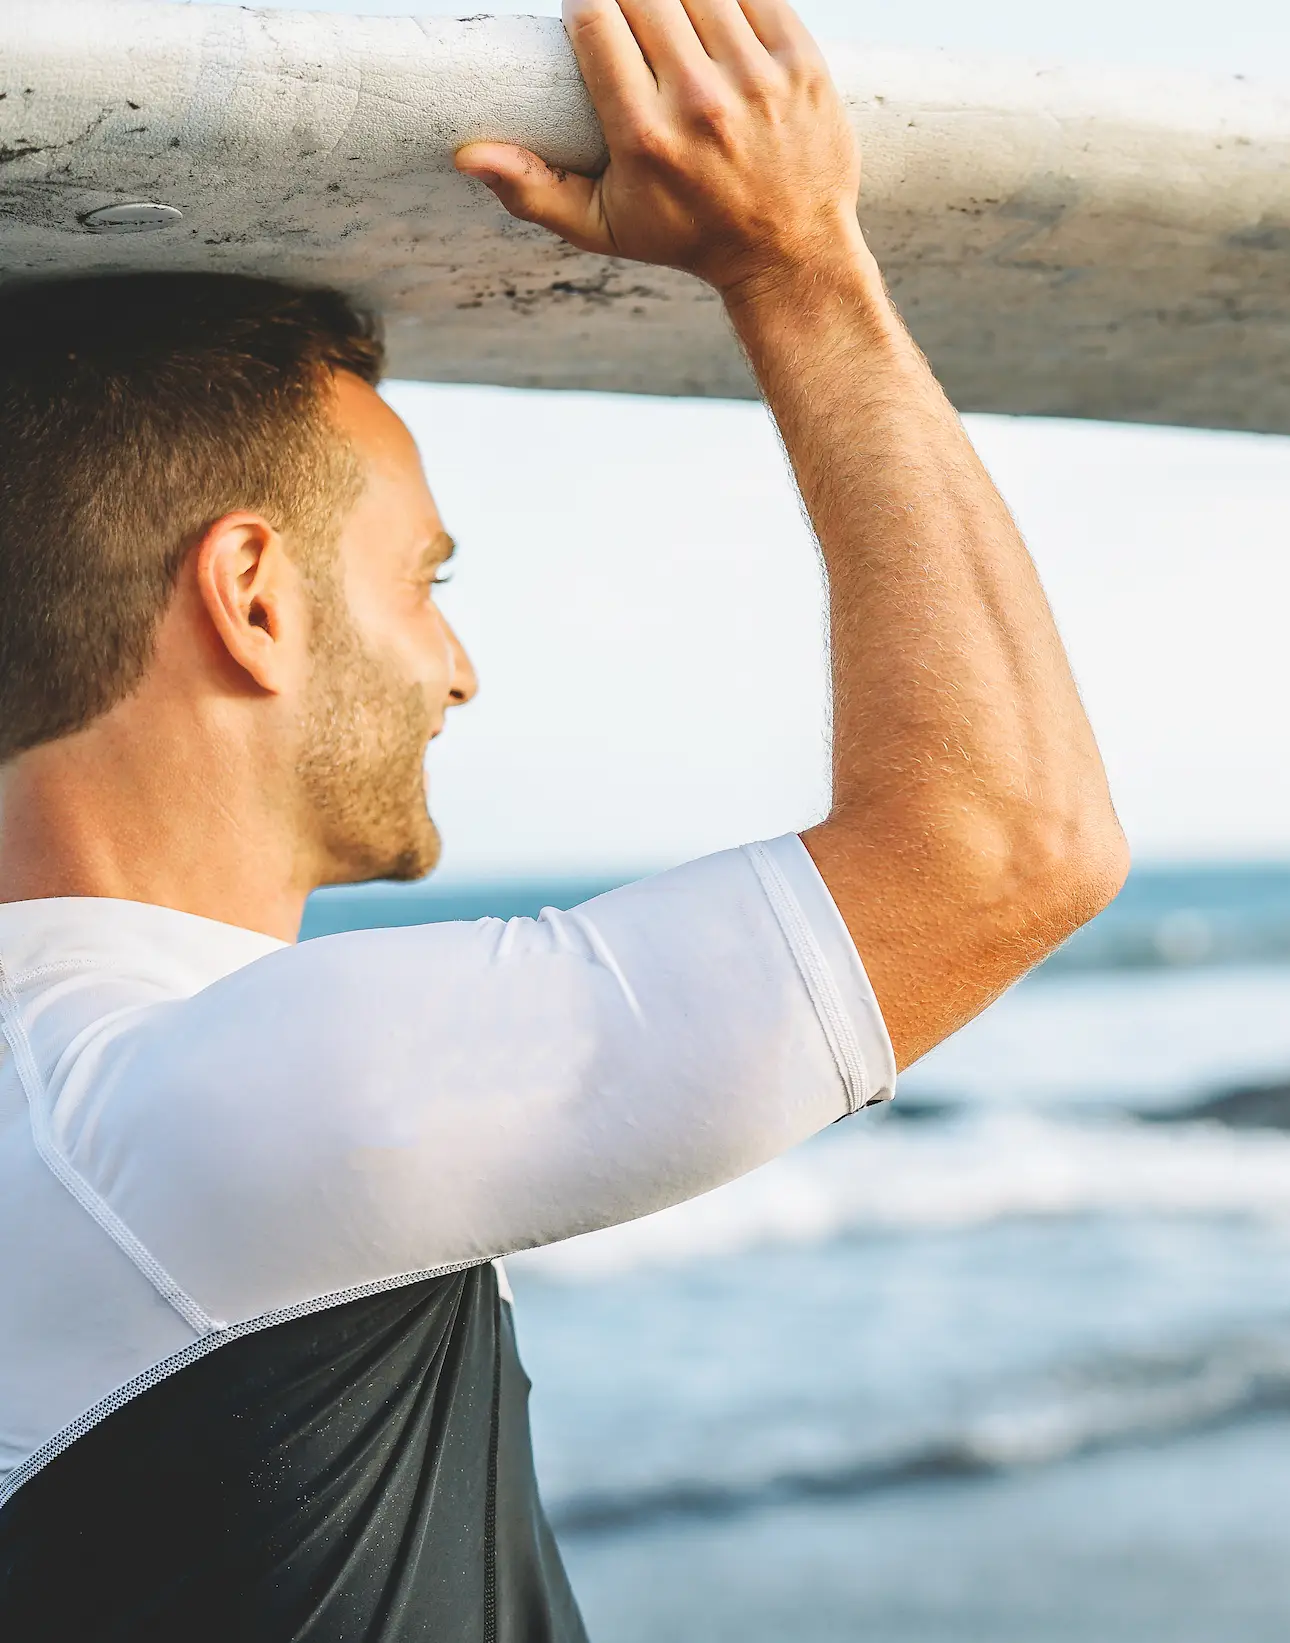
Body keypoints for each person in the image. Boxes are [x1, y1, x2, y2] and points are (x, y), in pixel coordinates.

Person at [0, 0, 1126, 1635]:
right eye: (424, 582)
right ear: (251, 596)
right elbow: (1013, 842)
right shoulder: (191, 1108)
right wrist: (797, 266)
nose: (460, 669)